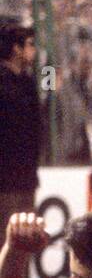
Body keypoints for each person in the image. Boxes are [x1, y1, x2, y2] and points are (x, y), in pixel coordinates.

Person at [0, 22, 40, 232]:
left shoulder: (28, 81)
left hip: (26, 178)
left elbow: (49, 96)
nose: (34, 50)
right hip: (5, 183)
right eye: (30, 45)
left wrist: (50, 67)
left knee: (26, 241)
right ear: (16, 48)